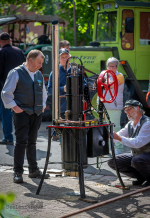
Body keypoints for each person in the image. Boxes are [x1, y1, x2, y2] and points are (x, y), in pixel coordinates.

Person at [1, 49, 49, 183]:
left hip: (36, 113)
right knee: (21, 142)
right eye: (39, 62)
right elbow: (6, 93)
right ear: (30, 60)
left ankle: (33, 170)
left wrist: (43, 106)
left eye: (42, 63)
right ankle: (18, 172)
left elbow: (43, 93)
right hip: (21, 113)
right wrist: (16, 109)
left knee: (32, 142)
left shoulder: (38, 75)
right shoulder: (16, 72)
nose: (41, 65)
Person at [108, 100, 150, 187]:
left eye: (129, 109)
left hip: (147, 154)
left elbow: (138, 143)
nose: (127, 112)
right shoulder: (130, 124)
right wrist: (108, 136)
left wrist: (118, 138)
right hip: (138, 155)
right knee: (113, 161)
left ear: (137, 108)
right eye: (125, 110)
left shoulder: (147, 123)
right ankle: (141, 177)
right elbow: (119, 136)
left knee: (137, 160)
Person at [0, 32, 26, 145]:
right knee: (21, 112)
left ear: (0, 42)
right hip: (20, 87)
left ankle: (8, 137)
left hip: (5, 87)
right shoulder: (19, 51)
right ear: (10, 41)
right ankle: (23, 137)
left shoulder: (2, 52)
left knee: (6, 112)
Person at [97, 57, 124, 154]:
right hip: (103, 106)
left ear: (117, 67)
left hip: (114, 106)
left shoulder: (119, 76)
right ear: (107, 66)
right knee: (104, 129)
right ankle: (107, 149)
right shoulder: (105, 76)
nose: (111, 68)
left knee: (115, 128)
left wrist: (100, 81)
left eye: (113, 66)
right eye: (109, 66)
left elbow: (109, 85)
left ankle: (118, 149)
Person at [48, 48, 71, 140]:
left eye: (66, 57)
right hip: (61, 109)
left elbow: (83, 85)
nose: (65, 59)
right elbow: (49, 90)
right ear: (58, 59)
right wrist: (63, 89)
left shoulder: (76, 70)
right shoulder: (54, 72)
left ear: (70, 57)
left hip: (75, 108)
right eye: (62, 57)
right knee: (63, 138)